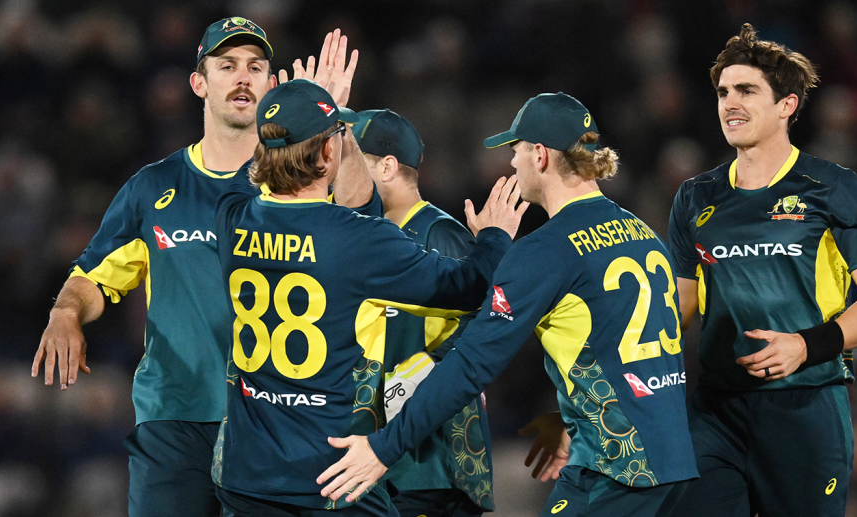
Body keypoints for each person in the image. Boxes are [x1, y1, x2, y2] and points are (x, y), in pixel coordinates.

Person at [30, 19, 363, 516]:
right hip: (174, 420)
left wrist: (333, 122)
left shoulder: (300, 177)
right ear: (199, 83)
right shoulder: (152, 187)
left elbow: (360, 209)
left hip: (278, 419)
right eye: (226, 66)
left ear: (271, 84)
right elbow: (95, 276)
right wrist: (63, 313)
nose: (243, 77)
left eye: (255, 66)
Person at [318, 92, 698, 517]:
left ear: (540, 155)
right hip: (673, 460)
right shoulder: (642, 231)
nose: (511, 164)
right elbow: (632, 350)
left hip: (619, 470)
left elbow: (472, 363)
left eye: (515, 151)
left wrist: (383, 448)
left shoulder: (548, 249)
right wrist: (574, 419)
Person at [212, 79, 524, 516]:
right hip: (328, 476)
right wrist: (495, 236)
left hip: (246, 475)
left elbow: (243, 175)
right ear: (327, 155)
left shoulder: (231, 217)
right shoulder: (358, 240)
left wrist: (289, 119)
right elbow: (468, 288)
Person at [665, 24, 857, 517]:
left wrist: (804, 346)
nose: (730, 102)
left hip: (805, 408)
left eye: (747, 90)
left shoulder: (833, 188)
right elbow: (679, 309)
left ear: (787, 106)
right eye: (723, 92)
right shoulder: (695, 196)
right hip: (714, 413)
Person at [353, 108, 494, 516]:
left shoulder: (439, 233)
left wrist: (429, 364)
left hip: (433, 462)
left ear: (387, 166)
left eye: (352, 159)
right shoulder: (364, 233)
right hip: (385, 457)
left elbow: (490, 323)